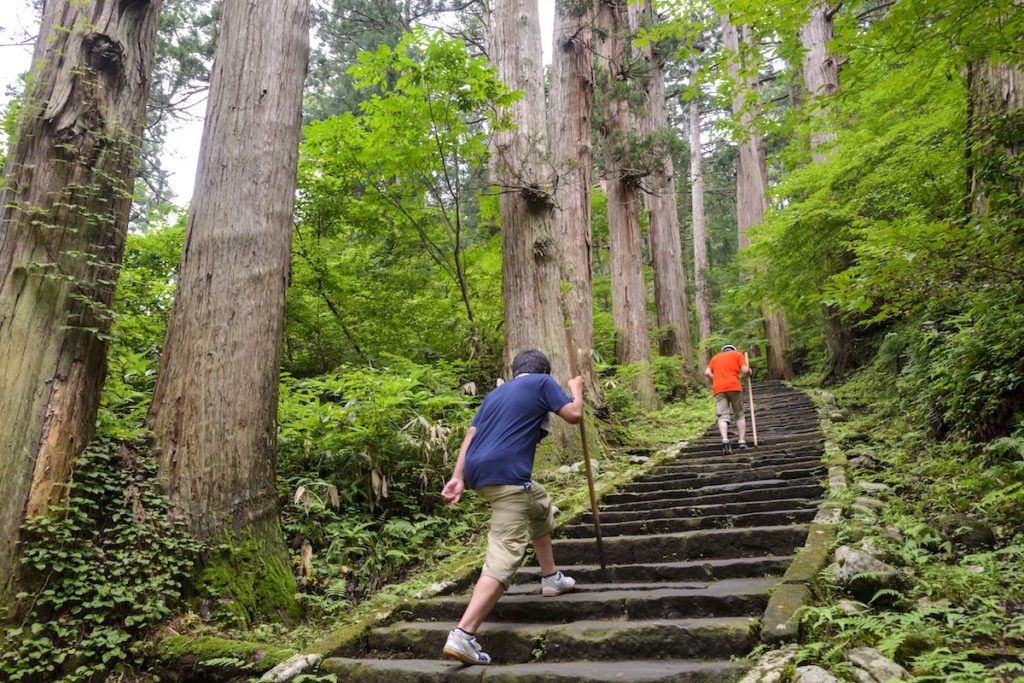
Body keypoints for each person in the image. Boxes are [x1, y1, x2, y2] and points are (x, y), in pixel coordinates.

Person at [439, 349, 585, 665]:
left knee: (539, 503)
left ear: (514, 370)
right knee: (505, 553)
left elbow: (471, 435)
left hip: (480, 474)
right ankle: (464, 634)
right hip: (507, 476)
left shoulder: (495, 394)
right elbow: (573, 415)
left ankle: (551, 578)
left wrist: (457, 477)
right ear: (543, 370)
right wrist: (576, 389)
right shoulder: (542, 382)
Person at [704, 344, 752, 453]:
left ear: (723, 351)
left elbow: (707, 373)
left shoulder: (715, 358)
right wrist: (750, 371)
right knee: (739, 414)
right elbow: (745, 370)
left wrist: (715, 378)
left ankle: (725, 439)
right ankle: (741, 441)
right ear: (733, 350)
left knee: (722, 416)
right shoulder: (738, 355)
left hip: (719, 388)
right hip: (734, 386)